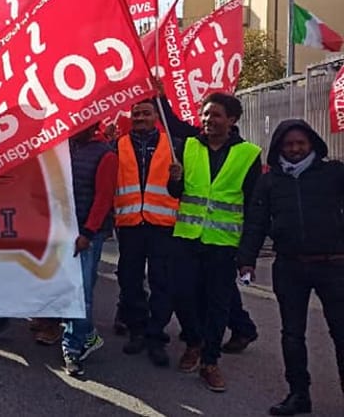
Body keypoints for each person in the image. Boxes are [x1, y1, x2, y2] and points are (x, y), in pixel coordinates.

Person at [239, 119, 344, 416]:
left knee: (342, 332)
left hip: (334, 266)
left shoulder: (334, 173)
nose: (295, 149)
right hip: (289, 267)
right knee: (292, 335)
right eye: (289, 144)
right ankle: (298, 394)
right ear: (279, 148)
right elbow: (256, 224)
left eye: (300, 143)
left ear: (312, 143)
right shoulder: (269, 181)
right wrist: (246, 260)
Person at [167, 92, 261, 393]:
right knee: (182, 294)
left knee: (218, 303)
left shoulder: (249, 154)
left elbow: (254, 206)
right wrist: (175, 180)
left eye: (216, 115)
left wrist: (248, 252)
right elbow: (176, 192)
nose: (208, 120)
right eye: (205, 114)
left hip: (223, 241)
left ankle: (209, 361)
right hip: (187, 237)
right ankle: (193, 341)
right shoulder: (188, 146)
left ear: (232, 120)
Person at [114, 99, 180, 367]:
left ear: (156, 116)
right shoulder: (117, 145)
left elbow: (181, 190)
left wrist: (179, 177)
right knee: (129, 281)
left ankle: (156, 334)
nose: (140, 117)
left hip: (161, 225)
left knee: (161, 282)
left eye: (146, 113)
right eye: (136, 113)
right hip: (129, 225)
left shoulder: (174, 146)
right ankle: (137, 329)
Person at [62, 123, 118, 377]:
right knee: (70, 288)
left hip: (86, 235)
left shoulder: (105, 154)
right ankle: (88, 334)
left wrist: (88, 232)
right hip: (63, 232)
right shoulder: (64, 148)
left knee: (80, 292)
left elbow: (103, 198)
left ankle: (72, 348)